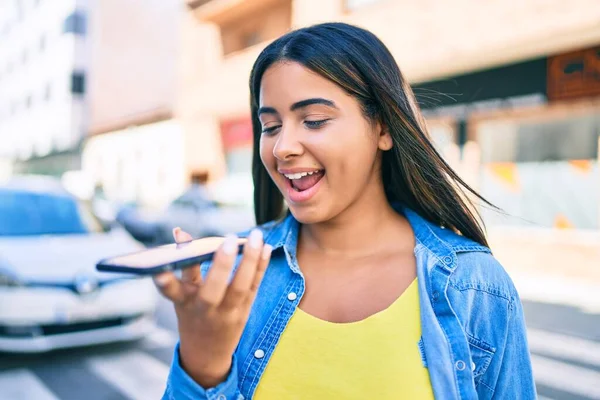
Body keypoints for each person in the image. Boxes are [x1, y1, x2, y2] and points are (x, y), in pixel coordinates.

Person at [155, 22, 536, 399]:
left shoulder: (475, 285)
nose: (282, 146)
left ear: (383, 128)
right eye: (270, 126)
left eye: (314, 121)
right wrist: (201, 366)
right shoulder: (229, 276)